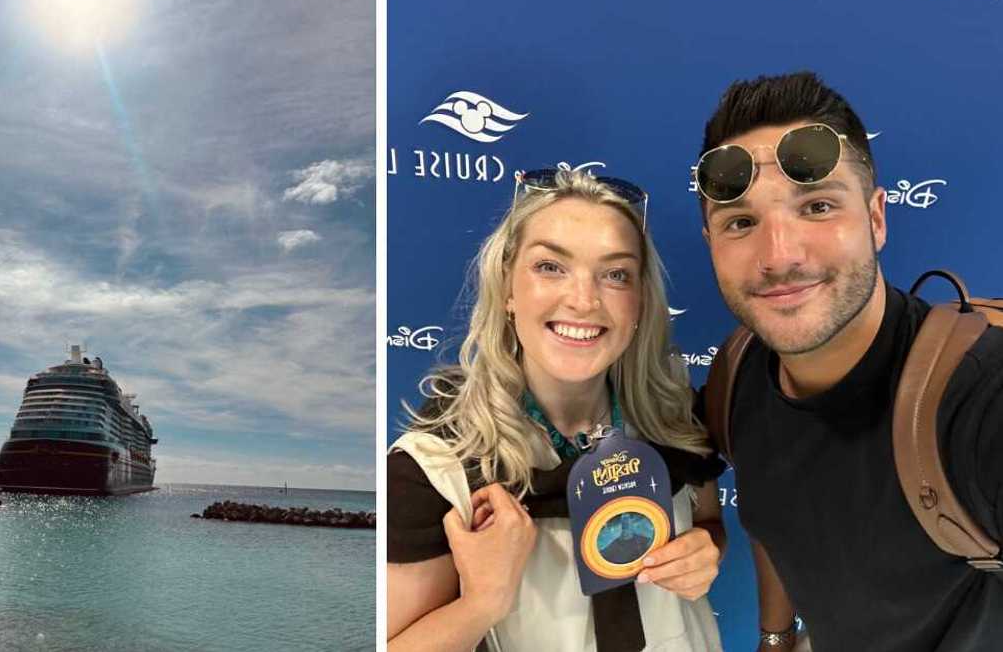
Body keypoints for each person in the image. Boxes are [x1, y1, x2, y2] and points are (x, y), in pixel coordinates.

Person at [691, 71, 1003, 651]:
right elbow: (771, 522)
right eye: (741, 222)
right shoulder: (736, 380)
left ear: (877, 219)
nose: (779, 255)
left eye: (816, 206)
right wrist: (778, 637)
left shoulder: (981, 400)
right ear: (711, 242)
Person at [387, 168, 727, 651]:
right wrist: (482, 601)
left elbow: (711, 525)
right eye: (551, 266)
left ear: (640, 301)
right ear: (506, 287)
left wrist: (705, 551)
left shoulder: (675, 418)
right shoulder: (435, 465)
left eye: (615, 274)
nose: (583, 300)